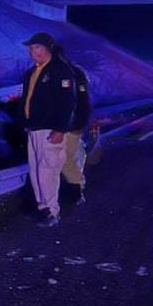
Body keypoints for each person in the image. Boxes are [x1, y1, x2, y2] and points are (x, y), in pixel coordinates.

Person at [20, 32, 78, 227]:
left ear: (46, 48)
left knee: (48, 169)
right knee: (36, 169)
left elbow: (68, 101)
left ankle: (52, 211)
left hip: (51, 129)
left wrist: (60, 128)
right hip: (34, 128)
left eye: (35, 47)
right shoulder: (32, 73)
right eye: (30, 48)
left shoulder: (60, 71)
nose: (31, 52)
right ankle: (42, 207)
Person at [54, 45, 91, 205]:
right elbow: (83, 98)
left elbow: (66, 101)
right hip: (76, 121)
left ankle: (77, 191)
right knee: (71, 155)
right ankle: (77, 187)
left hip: (67, 123)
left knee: (66, 159)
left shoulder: (61, 73)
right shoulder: (77, 71)